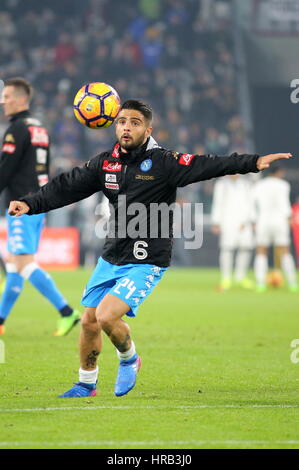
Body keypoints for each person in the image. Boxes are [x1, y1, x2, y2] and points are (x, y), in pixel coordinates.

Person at [8, 99, 292, 398]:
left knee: (106, 316)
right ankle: (86, 383)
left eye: (134, 122)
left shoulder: (164, 162)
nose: (126, 127)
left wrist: (253, 162)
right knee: (90, 322)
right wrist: (30, 202)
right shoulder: (106, 163)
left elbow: (208, 164)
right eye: (121, 122)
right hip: (113, 255)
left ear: (148, 129)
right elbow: (66, 186)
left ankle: (129, 358)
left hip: (147, 259)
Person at [0, 77, 80, 336]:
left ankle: (67, 312)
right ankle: (0, 321)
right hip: (37, 201)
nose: (3, 101)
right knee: (15, 263)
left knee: (23, 263)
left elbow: (6, 169)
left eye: (8, 96)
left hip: (20, 204)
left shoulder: (17, 129)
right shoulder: (40, 128)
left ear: (22, 99)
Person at [252, 165, 298, 292]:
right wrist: (289, 218)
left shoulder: (259, 185)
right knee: (285, 252)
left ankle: (260, 284)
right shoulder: (284, 185)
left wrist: (253, 220)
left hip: (263, 221)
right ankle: (293, 283)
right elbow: (285, 203)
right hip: (280, 221)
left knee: (261, 251)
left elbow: (254, 204)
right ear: (279, 172)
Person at [211, 174, 254, 291]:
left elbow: (250, 203)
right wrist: (216, 221)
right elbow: (217, 202)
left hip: (244, 222)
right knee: (227, 249)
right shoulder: (221, 184)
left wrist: (250, 219)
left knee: (245, 248)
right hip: (227, 221)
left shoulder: (246, 183)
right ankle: (226, 278)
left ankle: (241, 276)